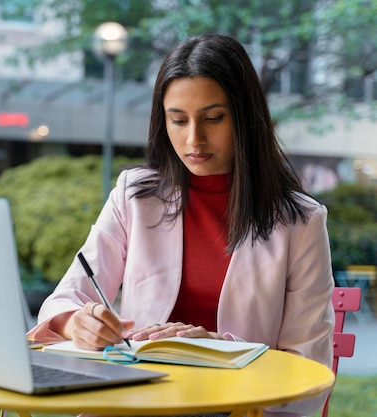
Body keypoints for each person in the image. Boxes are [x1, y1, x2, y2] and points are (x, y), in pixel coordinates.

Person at [28, 33, 334, 417]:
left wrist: (218, 348)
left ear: (245, 118)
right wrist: (77, 322)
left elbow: (308, 367)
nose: (194, 139)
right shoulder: (135, 196)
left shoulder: (300, 222)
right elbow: (65, 298)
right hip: (135, 399)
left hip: (234, 406)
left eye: (213, 118)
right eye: (178, 120)